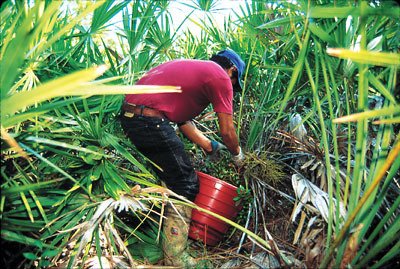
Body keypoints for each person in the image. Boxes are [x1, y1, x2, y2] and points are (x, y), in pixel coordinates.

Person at [120, 49, 246, 267]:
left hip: (133, 117)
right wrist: (238, 156)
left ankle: (154, 240)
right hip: (149, 120)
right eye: (234, 84)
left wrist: (209, 145)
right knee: (185, 184)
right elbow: (227, 131)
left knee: (167, 180)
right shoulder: (219, 75)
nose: (231, 89)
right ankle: (175, 256)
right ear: (232, 71)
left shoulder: (194, 70)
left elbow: (183, 122)